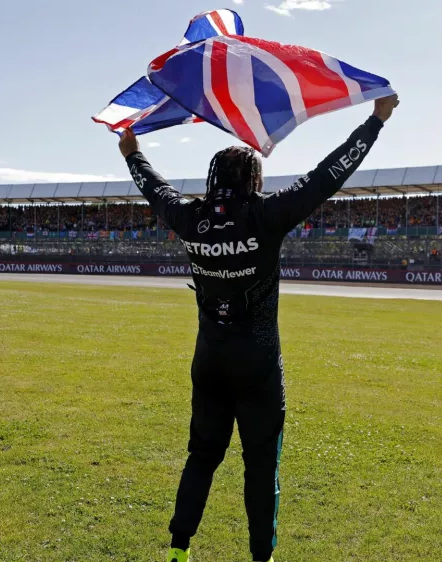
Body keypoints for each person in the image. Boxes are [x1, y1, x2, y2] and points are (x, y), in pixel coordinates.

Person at [118, 94, 399, 562]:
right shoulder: (267, 216)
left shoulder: (191, 219)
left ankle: (178, 550)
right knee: (261, 467)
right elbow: (328, 176)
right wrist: (375, 121)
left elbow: (156, 190)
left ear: (213, 179)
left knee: (202, 457)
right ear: (253, 180)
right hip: (259, 366)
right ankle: (260, 558)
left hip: (209, 363)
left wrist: (132, 153)